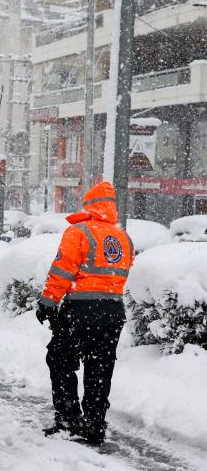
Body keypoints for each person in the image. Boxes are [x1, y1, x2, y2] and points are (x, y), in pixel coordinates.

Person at [35, 181, 134, 445]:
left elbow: (62, 271)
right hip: (113, 311)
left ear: (89, 205)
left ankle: (69, 420)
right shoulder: (124, 237)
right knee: (99, 367)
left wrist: (48, 302)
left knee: (60, 360)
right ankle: (95, 424)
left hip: (80, 309)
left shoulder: (78, 232)